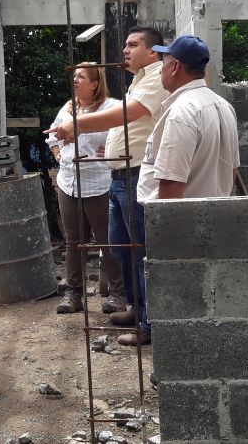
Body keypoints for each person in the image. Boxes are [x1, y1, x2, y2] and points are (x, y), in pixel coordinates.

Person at [47, 26, 169, 346]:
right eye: (125, 45)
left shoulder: (156, 77)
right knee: (120, 247)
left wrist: (78, 125)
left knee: (137, 250)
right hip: (116, 179)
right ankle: (136, 308)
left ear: (153, 52)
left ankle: (148, 323)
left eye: (133, 45)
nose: (125, 50)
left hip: (134, 177)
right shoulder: (137, 80)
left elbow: (130, 114)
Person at [45, 64, 126, 315]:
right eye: (74, 76)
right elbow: (52, 136)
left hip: (99, 183)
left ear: (94, 83)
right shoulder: (68, 108)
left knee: (107, 241)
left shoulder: (111, 107)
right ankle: (74, 293)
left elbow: (128, 135)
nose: (75, 80)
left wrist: (112, 149)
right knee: (74, 242)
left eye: (80, 76)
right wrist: (57, 154)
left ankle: (118, 294)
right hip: (69, 183)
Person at [139, 34, 240, 201]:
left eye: (163, 63)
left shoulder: (182, 111)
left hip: (184, 216)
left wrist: (166, 218)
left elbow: (171, 183)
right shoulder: (224, 105)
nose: (160, 70)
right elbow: (231, 170)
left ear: (175, 67)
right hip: (217, 212)